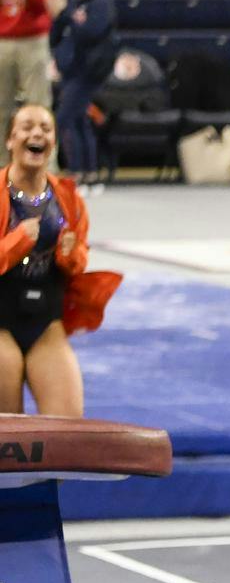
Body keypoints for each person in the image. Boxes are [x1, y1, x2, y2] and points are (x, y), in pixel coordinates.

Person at [0, 104, 118, 416]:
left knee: (68, 426)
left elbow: (79, 264)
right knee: (7, 429)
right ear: (10, 140)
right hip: (0, 322)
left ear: (54, 141)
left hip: (45, 323)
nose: (36, 133)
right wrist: (18, 241)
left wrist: (70, 254)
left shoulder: (68, 199)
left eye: (45, 128)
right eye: (27, 127)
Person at [49, 0, 112, 186]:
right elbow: (56, 34)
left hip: (88, 73)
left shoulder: (102, 4)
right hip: (70, 71)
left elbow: (91, 32)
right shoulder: (75, 3)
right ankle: (88, 172)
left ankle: (76, 170)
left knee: (64, 118)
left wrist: (66, 13)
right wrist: (60, 16)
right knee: (79, 120)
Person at [0, 0, 60, 139]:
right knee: (0, 109)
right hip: (1, 41)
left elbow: (47, 2)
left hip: (33, 40)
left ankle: (44, 160)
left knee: (39, 108)